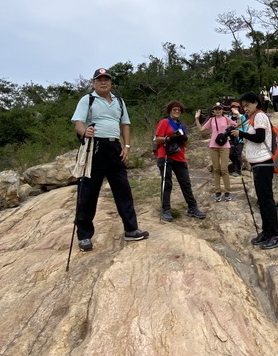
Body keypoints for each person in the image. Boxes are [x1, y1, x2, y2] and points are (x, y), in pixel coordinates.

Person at [71, 68, 149, 252]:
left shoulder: (119, 102)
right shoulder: (88, 99)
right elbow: (78, 123)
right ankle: (84, 236)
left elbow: (125, 125)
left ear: (111, 83)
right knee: (88, 192)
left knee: (123, 190)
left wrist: (127, 146)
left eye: (106, 79)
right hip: (94, 147)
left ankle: (131, 229)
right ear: (94, 83)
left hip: (115, 148)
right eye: (99, 80)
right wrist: (85, 132)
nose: (103, 82)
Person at [230, 92, 278, 250]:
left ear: (255, 103)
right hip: (258, 164)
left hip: (264, 163)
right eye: (243, 106)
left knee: (266, 200)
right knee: (263, 199)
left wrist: (241, 133)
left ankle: (275, 235)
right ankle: (267, 232)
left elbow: (260, 137)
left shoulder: (260, 116)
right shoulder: (253, 118)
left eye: (247, 105)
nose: (245, 108)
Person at [155, 100, 206, 222]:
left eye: (179, 110)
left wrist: (183, 139)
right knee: (167, 183)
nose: (177, 111)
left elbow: (185, 143)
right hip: (166, 156)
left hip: (179, 156)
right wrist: (169, 138)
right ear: (170, 110)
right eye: (174, 109)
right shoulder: (164, 122)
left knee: (186, 183)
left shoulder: (181, 125)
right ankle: (165, 209)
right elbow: (157, 139)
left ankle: (192, 207)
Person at [195, 102, 236, 201]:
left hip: (225, 146)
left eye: (219, 109)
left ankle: (227, 191)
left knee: (224, 169)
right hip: (213, 146)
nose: (218, 110)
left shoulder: (226, 119)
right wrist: (197, 118)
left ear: (222, 110)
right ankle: (218, 191)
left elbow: (237, 125)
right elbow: (201, 129)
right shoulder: (211, 120)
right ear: (214, 110)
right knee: (216, 169)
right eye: (216, 109)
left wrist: (238, 115)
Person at [228, 101, 248, 177]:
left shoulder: (242, 117)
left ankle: (237, 170)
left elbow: (241, 127)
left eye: (237, 108)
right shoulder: (229, 118)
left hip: (240, 138)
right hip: (231, 138)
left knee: (237, 154)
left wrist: (238, 115)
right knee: (230, 153)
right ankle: (239, 164)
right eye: (234, 108)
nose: (235, 109)